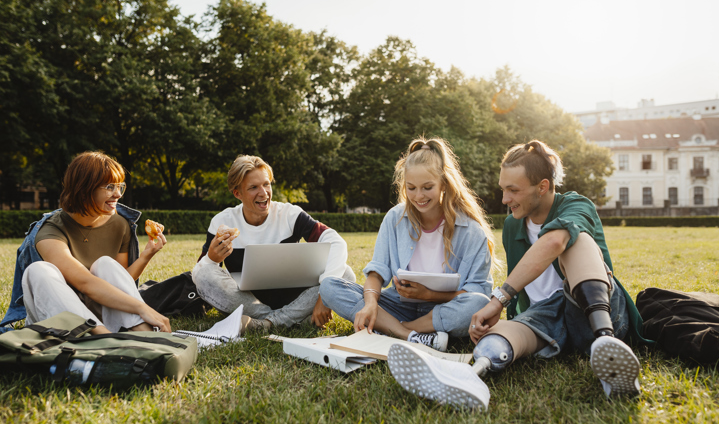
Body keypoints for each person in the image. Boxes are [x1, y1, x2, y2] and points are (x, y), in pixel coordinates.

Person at [388, 140, 650, 409]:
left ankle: (606, 343)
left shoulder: (576, 205)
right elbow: (523, 290)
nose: (504, 199)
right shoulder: (513, 226)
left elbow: (553, 244)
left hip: (594, 312)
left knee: (577, 239)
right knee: (495, 335)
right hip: (545, 320)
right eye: (503, 189)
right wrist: (496, 319)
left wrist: (497, 299)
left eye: (512, 190)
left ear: (543, 187)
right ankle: (468, 375)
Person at [319, 137, 499, 351]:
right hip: (399, 304)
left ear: (444, 183)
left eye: (427, 187)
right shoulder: (395, 218)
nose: (418, 196)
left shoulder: (471, 230)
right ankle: (410, 336)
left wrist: (429, 295)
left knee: (480, 303)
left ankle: (394, 330)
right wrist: (369, 304)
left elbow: (477, 292)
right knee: (329, 286)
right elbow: (377, 272)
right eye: (411, 188)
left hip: (445, 309)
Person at [1, 152, 171, 335]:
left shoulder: (121, 225)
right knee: (38, 270)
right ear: (84, 190)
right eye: (109, 187)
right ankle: (103, 338)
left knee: (105, 264)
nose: (117, 194)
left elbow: (121, 283)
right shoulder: (49, 231)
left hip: (99, 310)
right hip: (58, 316)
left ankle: (143, 332)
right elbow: (85, 282)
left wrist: (147, 255)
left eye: (120, 186)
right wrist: (143, 308)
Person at [192, 155, 355, 331]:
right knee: (205, 274)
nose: (263, 193)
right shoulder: (222, 222)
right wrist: (211, 259)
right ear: (237, 193)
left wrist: (324, 294)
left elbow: (335, 241)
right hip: (250, 303)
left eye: (266, 184)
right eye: (253, 187)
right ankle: (293, 321)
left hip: (295, 298)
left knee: (346, 274)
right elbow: (201, 275)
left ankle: (267, 325)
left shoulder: (289, 214)